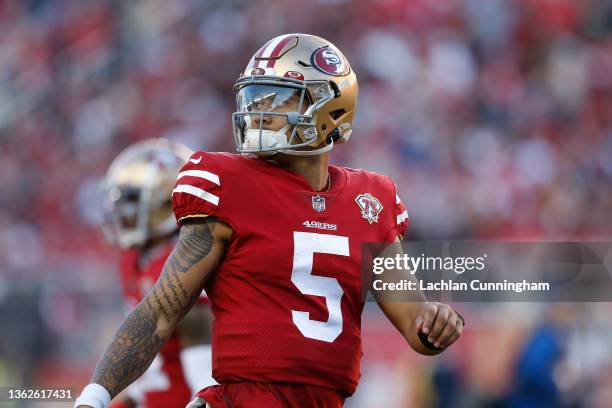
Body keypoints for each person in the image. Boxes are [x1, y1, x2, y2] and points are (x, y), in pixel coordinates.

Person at [75, 34, 464, 408]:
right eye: (255, 96)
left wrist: (439, 321)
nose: (260, 111)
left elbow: (417, 324)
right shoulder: (229, 183)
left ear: (331, 107)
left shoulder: (370, 200)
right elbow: (160, 310)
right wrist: (94, 397)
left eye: (278, 99)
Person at [98, 139, 215, 407]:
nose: (120, 212)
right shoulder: (134, 260)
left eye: (131, 201)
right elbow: (146, 375)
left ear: (165, 201)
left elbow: (207, 387)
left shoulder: (186, 262)